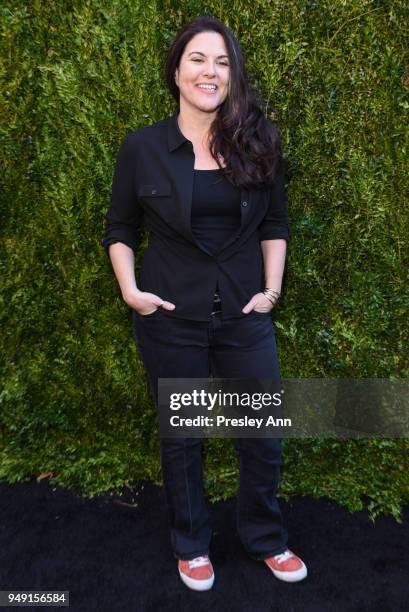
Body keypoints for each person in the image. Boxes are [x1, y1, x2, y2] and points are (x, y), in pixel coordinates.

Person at [102, 15, 307, 591]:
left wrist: (272, 290)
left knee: (262, 434)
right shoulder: (142, 147)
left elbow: (276, 222)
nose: (209, 72)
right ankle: (191, 545)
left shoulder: (259, 140)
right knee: (184, 438)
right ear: (176, 70)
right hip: (170, 319)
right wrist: (130, 291)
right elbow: (119, 226)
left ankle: (266, 538)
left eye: (221, 62)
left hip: (245, 317)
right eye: (197, 59)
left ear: (232, 75)